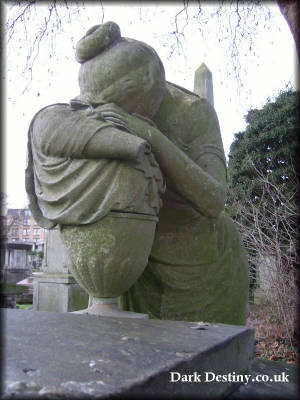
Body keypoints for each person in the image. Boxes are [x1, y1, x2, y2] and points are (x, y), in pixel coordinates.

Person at [26, 21, 249, 324]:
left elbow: (214, 200)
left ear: (142, 89)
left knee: (204, 362)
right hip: (137, 263)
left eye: (122, 111)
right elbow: (49, 126)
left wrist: (152, 137)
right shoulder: (102, 105)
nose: (111, 119)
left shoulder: (193, 113)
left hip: (205, 267)